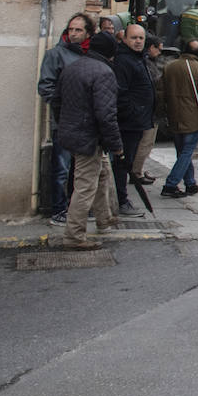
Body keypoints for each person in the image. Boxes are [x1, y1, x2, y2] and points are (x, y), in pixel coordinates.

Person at [56, 31, 124, 250]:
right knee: (85, 185)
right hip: (89, 136)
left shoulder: (73, 67)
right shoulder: (104, 72)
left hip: (72, 132)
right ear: (110, 52)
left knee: (102, 173)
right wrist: (117, 146)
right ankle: (74, 235)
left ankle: (105, 219)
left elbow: (57, 101)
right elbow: (106, 114)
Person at [37, 12, 95, 224]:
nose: (73, 33)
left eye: (78, 30)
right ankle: (59, 210)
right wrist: (62, 108)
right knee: (62, 168)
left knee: (80, 170)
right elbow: (46, 86)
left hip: (86, 122)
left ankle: (77, 208)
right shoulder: (56, 54)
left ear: (88, 32)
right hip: (63, 122)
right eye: (71, 29)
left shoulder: (90, 55)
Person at [158, 37, 198, 198]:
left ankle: (190, 183)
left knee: (182, 151)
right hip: (193, 119)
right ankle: (171, 184)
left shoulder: (169, 67)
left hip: (174, 116)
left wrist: (162, 113)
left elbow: (161, 93)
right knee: (186, 152)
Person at [110, 23, 153, 217]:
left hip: (136, 121)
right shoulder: (124, 61)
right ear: (125, 39)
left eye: (141, 38)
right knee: (122, 163)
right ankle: (121, 200)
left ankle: (120, 198)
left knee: (125, 162)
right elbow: (121, 93)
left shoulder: (137, 58)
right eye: (134, 38)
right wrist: (133, 112)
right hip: (128, 123)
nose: (138, 41)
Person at [128, 34, 164, 187]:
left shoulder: (143, 62)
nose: (160, 52)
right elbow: (156, 85)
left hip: (147, 110)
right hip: (148, 111)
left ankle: (137, 171)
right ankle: (136, 173)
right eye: (158, 49)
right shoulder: (147, 64)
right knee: (145, 143)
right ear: (151, 48)